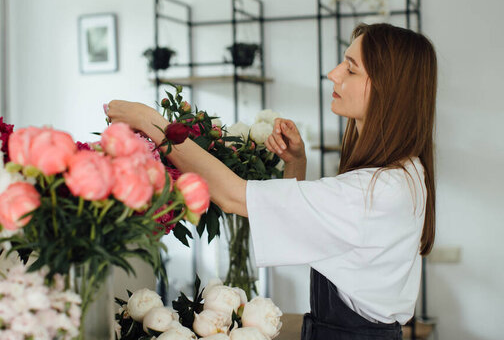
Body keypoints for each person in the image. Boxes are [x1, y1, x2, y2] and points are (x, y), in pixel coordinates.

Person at [106, 23, 437, 340]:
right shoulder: (403, 173)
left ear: (386, 88)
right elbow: (309, 227)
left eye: (351, 69)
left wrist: (152, 123)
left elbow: (233, 196)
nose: (333, 74)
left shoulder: (375, 190)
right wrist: (296, 163)